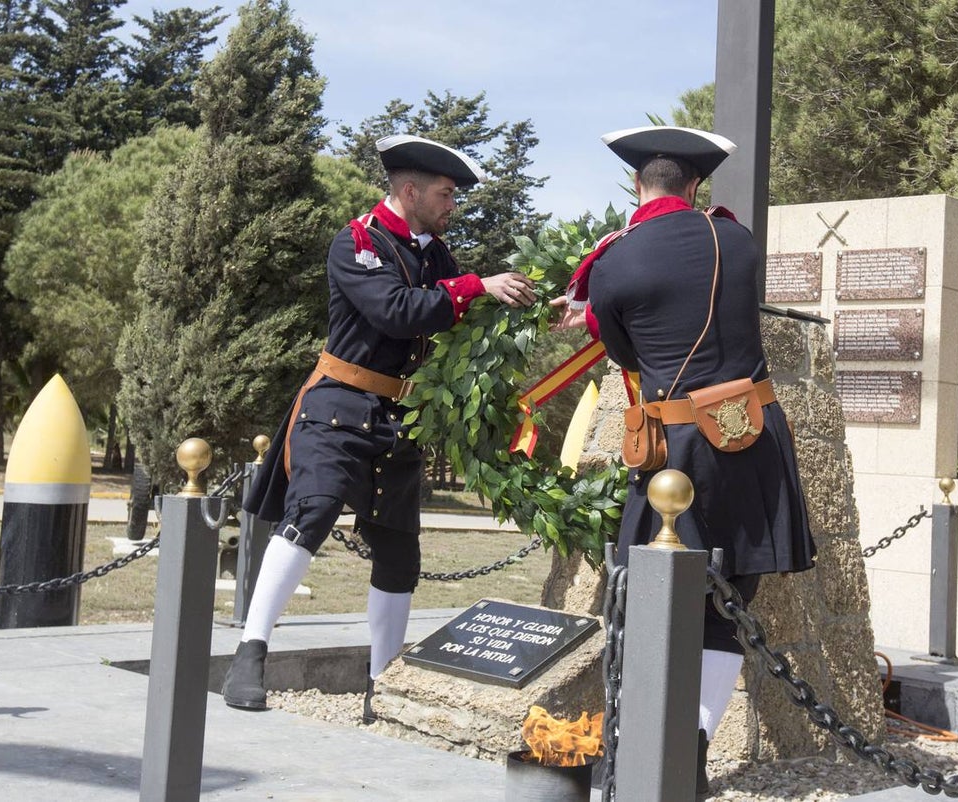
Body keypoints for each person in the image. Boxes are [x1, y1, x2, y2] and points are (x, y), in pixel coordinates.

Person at [223, 133, 537, 716]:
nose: (453, 206)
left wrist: (527, 302)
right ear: (410, 190)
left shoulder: (434, 254)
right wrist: (475, 287)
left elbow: (459, 315)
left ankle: (381, 683)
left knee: (398, 550)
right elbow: (394, 312)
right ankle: (251, 650)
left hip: (400, 416)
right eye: (446, 194)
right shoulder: (357, 243)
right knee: (312, 511)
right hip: (339, 403)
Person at [552, 125, 816, 796]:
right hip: (755, 436)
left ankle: (646, 749)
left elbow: (624, 352)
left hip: (681, 451)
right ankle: (691, 749)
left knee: (650, 598)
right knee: (730, 606)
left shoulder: (613, 261)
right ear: (696, 186)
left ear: (637, 186)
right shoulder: (739, 240)